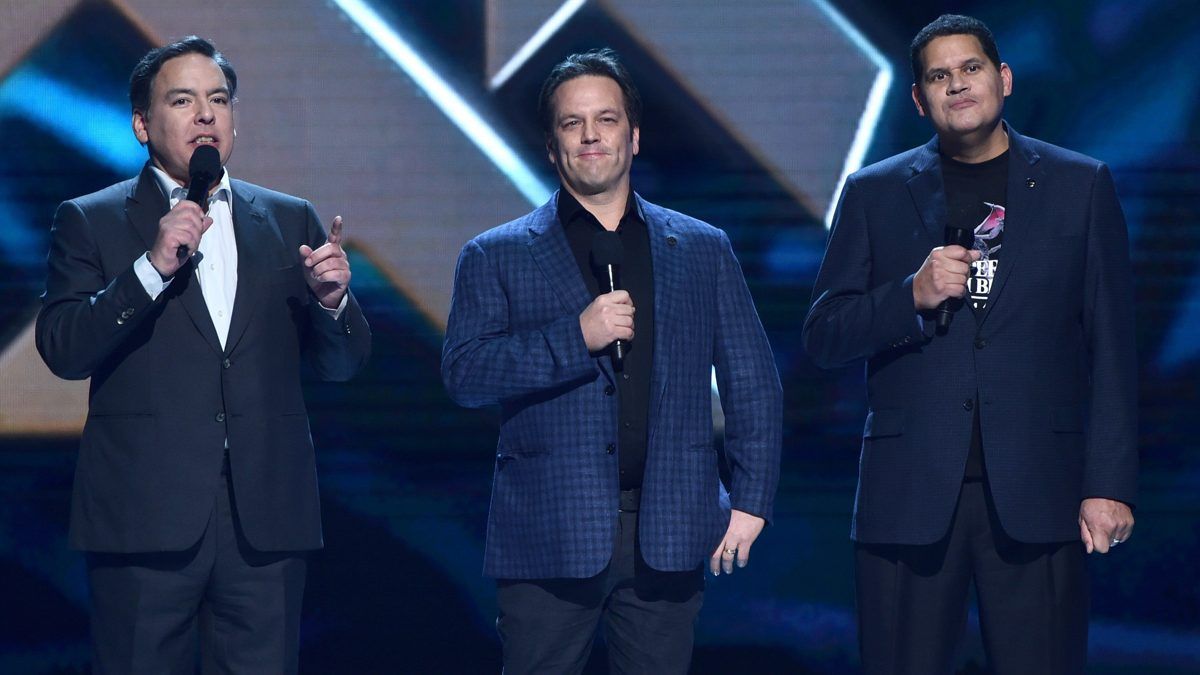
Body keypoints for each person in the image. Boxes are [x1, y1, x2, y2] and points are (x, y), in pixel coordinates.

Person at [803, 14, 1137, 675]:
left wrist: (1109, 484)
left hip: (1040, 491)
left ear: (1004, 79)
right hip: (910, 493)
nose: (957, 84)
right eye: (939, 75)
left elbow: (1113, 350)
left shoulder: (1080, 185)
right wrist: (910, 295)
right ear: (919, 99)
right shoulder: (874, 192)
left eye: (971, 68)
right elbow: (824, 334)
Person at [36, 36, 370, 672]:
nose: (206, 115)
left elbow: (342, 366)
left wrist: (334, 304)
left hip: (265, 520)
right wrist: (150, 268)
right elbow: (63, 348)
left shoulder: (289, 219)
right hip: (143, 516)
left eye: (219, 99)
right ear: (142, 124)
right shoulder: (91, 219)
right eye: (183, 100)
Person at [442, 47, 782, 673]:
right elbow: (466, 374)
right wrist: (574, 338)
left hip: (671, 529)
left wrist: (751, 501)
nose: (591, 135)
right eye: (572, 123)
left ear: (634, 136)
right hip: (549, 532)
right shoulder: (496, 254)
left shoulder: (701, 248)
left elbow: (752, 382)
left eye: (606, 119)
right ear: (552, 146)